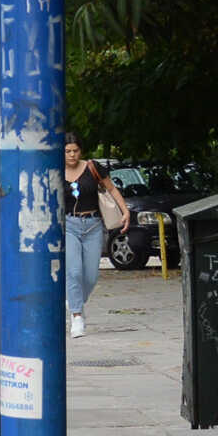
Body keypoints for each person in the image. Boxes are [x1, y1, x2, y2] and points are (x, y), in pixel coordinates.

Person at [62, 134, 129, 336]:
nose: (72, 155)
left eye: (75, 150)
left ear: (81, 151)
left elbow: (112, 189)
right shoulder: (55, 170)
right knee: (73, 272)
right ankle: (76, 317)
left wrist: (125, 211)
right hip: (69, 225)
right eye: (67, 151)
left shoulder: (93, 167)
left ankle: (74, 301)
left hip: (93, 225)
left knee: (90, 276)